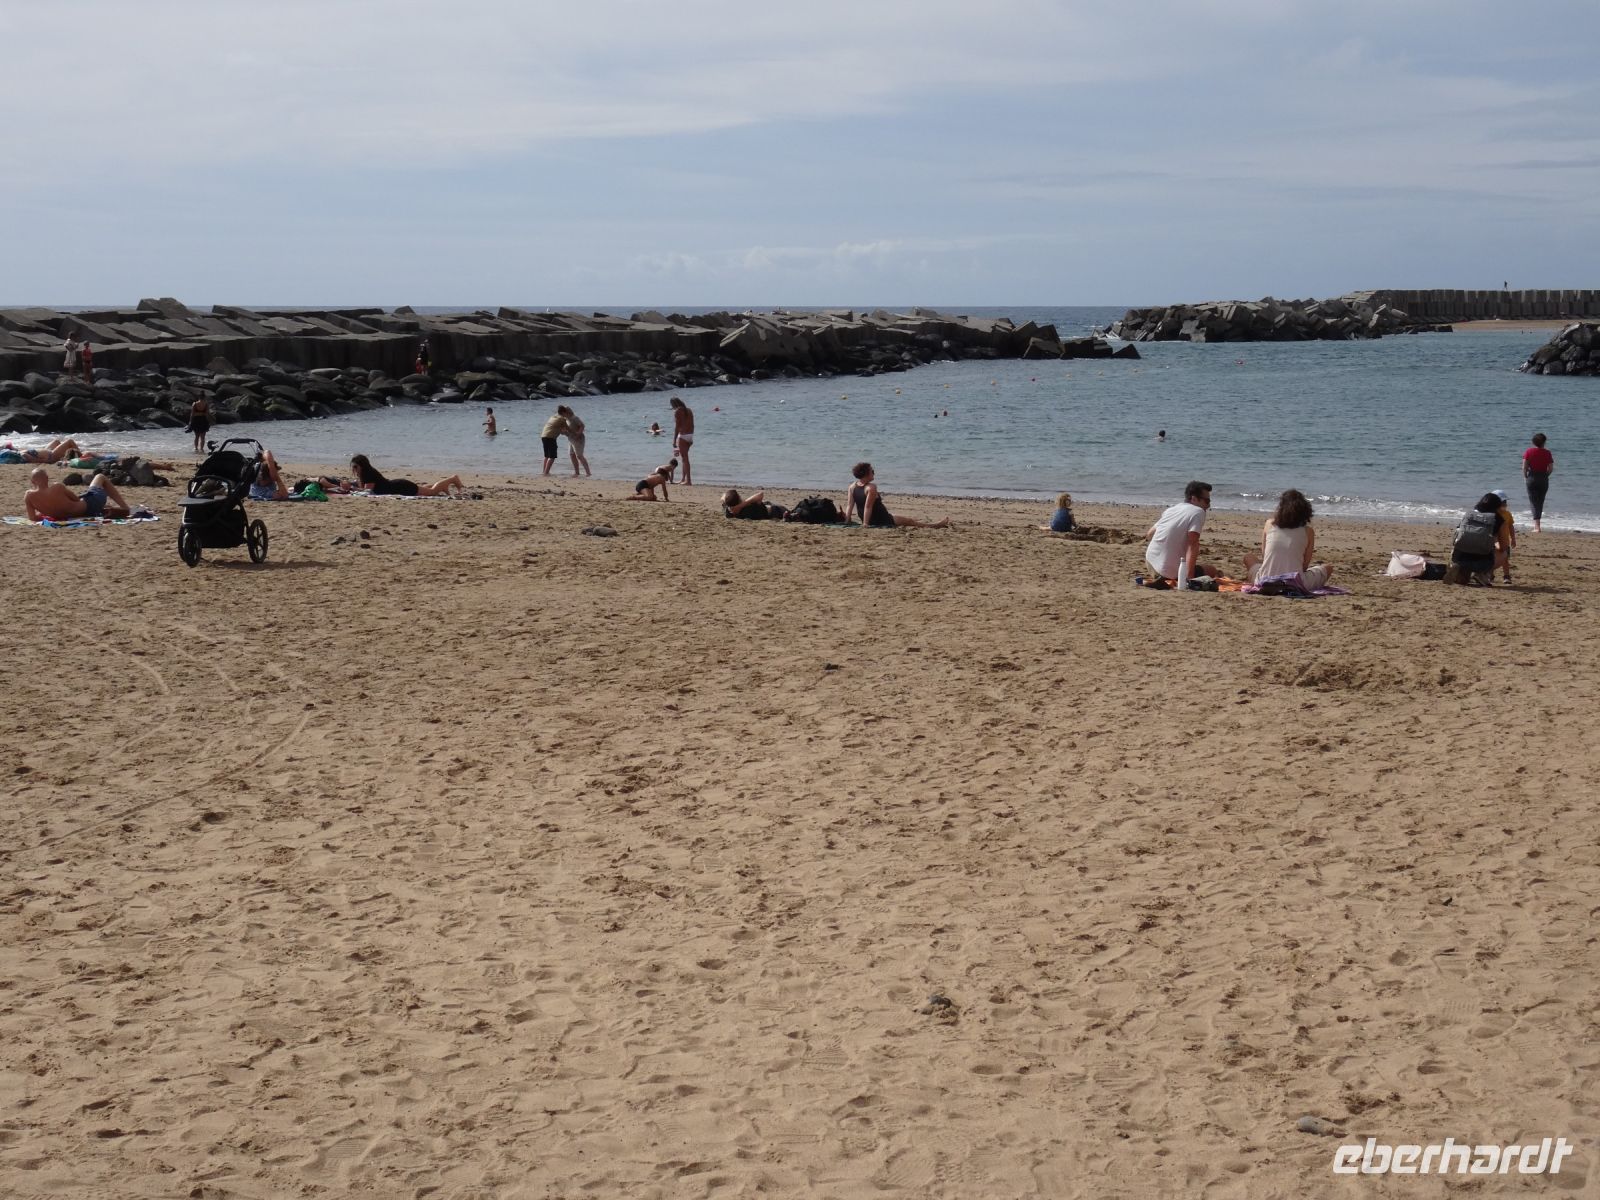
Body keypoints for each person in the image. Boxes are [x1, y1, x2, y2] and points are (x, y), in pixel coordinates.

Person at [1243, 488, 1333, 590]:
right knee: (1328, 568)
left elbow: (1265, 556)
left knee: (1249, 557)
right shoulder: (1308, 531)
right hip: (1295, 583)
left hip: (1265, 580)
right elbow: (1304, 566)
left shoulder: (1269, 524)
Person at [1142, 480, 1218, 587]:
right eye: (1206, 501)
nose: (1208, 505)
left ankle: (1162, 577)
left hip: (1150, 563)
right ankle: (1173, 577)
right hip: (1169, 571)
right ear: (1194, 499)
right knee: (1211, 570)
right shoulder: (1198, 511)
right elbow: (1193, 544)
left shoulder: (1172, 510)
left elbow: (1150, 534)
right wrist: (1189, 578)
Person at [844, 462, 950, 529]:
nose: (874, 473)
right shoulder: (871, 487)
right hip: (881, 519)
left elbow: (849, 505)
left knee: (900, 517)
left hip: (870, 517)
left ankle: (923, 522)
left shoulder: (852, 486)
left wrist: (847, 520)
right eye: (872, 471)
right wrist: (865, 524)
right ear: (866, 473)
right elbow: (868, 507)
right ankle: (935, 525)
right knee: (910, 521)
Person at [24, 468, 131, 522]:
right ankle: (125, 507)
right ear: (47, 478)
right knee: (100, 477)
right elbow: (75, 499)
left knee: (86, 494)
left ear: (32, 482)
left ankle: (105, 508)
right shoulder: (57, 487)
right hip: (91, 505)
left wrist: (46, 511)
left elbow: (32, 517)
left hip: (75, 515)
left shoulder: (29, 496)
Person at [1448, 493, 1510, 586]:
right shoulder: (1498, 520)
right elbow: (1503, 547)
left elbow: (1458, 534)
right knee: (1505, 552)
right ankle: (1481, 573)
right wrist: (1494, 542)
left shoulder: (1469, 514)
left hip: (1459, 556)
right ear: (1497, 506)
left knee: (1463, 579)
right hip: (1482, 561)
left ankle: (1459, 568)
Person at [349, 454, 463, 497]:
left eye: (355, 467)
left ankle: (452, 479)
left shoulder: (369, 473)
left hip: (402, 487)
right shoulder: (365, 473)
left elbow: (367, 491)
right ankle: (444, 485)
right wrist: (352, 486)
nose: (354, 469)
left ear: (362, 465)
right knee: (426, 490)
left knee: (432, 492)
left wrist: (351, 488)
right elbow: (364, 488)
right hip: (398, 486)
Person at [1522, 432, 1554, 533]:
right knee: (1540, 501)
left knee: (1533, 501)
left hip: (1532, 477)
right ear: (1544, 442)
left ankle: (1537, 526)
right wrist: (1545, 475)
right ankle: (1537, 525)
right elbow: (1550, 468)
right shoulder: (1547, 453)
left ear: (1533, 442)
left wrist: (1525, 477)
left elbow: (1524, 467)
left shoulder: (1529, 451)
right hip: (1543, 478)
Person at [1493, 489, 1516, 584]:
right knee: (1492, 559)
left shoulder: (1507, 514)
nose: (1504, 504)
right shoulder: (1492, 514)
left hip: (1505, 542)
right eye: (1502, 502)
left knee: (1505, 560)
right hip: (1494, 542)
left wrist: (1513, 539)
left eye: (1505, 502)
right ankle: (1490, 575)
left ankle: (1506, 576)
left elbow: (1511, 527)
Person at [721, 488, 788, 521]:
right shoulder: (748, 507)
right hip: (776, 511)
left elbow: (723, 497)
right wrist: (741, 505)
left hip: (766, 508)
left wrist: (736, 506)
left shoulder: (728, 511)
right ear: (739, 498)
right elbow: (760, 494)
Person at [670, 397, 694, 485]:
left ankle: (688, 481)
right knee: (684, 459)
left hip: (683, 436)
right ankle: (683, 479)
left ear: (674, 404)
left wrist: (674, 440)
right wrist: (691, 437)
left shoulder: (677, 411)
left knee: (685, 459)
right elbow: (692, 424)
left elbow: (677, 427)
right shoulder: (689, 410)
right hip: (690, 435)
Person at [5, 438, 83, 465]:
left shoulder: (21, 452)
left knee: (56, 441)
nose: (14, 447)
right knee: (70, 441)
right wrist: (49, 461)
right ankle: (82, 457)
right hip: (51, 456)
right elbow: (35, 460)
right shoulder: (22, 454)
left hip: (48, 452)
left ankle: (68, 456)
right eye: (12, 447)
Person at [562, 405, 590, 477]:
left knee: (579, 455)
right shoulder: (566, 420)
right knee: (572, 455)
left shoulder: (574, 418)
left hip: (579, 439)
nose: (562, 415)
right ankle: (577, 472)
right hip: (571, 439)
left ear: (567, 412)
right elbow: (567, 431)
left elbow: (582, 426)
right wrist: (563, 432)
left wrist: (578, 434)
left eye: (563, 413)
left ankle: (588, 473)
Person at [540, 409, 569, 475]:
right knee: (552, 457)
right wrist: (575, 435)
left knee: (547, 456)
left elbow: (561, 431)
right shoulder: (562, 419)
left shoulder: (553, 417)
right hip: (550, 437)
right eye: (566, 413)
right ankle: (546, 473)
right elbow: (568, 429)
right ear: (563, 412)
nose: (567, 415)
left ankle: (544, 471)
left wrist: (566, 434)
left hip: (544, 436)